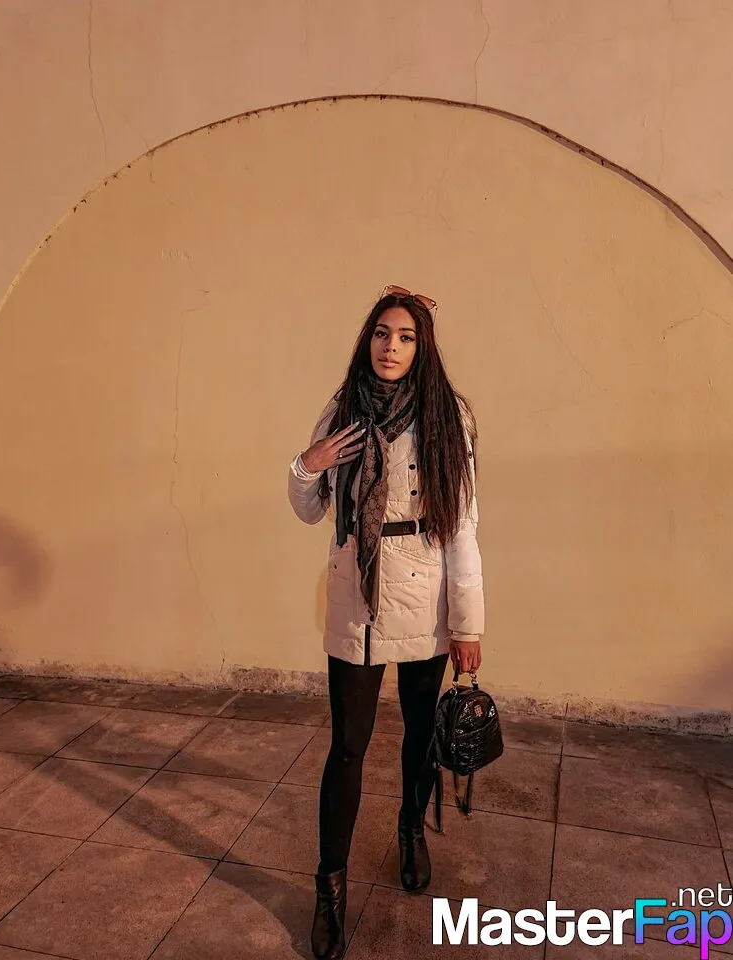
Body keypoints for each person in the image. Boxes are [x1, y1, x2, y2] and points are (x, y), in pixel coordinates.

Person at [287, 285, 485, 960]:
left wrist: (468, 624)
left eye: (404, 336)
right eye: (381, 333)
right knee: (348, 745)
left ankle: (409, 829)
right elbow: (309, 509)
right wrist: (306, 466)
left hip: (425, 593)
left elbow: (462, 526)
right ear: (366, 339)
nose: (390, 347)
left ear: (421, 346)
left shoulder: (448, 416)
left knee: (420, 733)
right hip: (356, 593)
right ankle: (330, 888)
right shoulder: (342, 407)